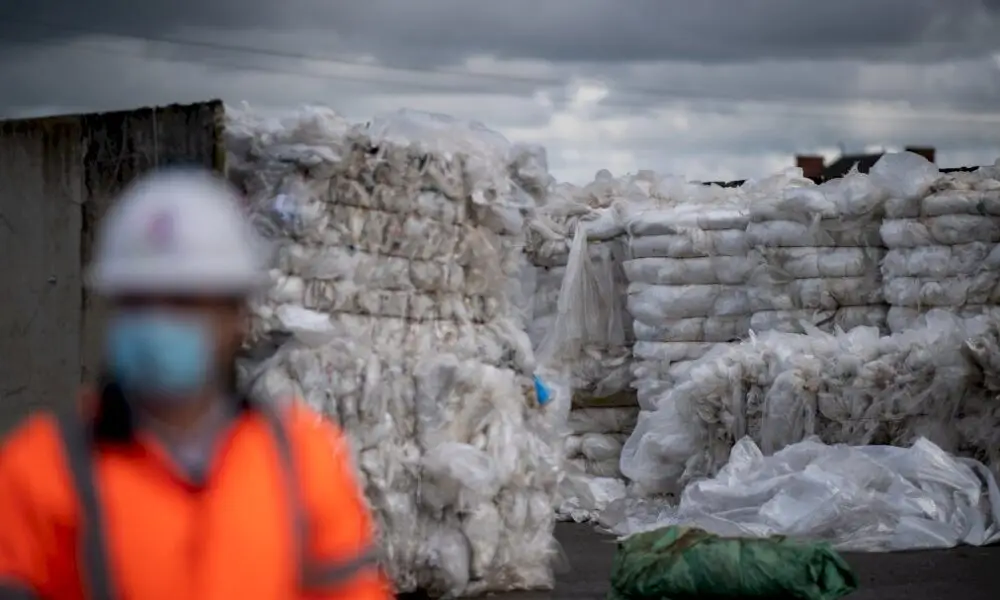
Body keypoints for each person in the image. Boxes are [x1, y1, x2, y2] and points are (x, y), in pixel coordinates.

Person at [0, 169, 391, 600]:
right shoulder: (38, 472)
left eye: (184, 302)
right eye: (138, 301)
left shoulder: (301, 461)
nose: (157, 322)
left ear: (237, 317)